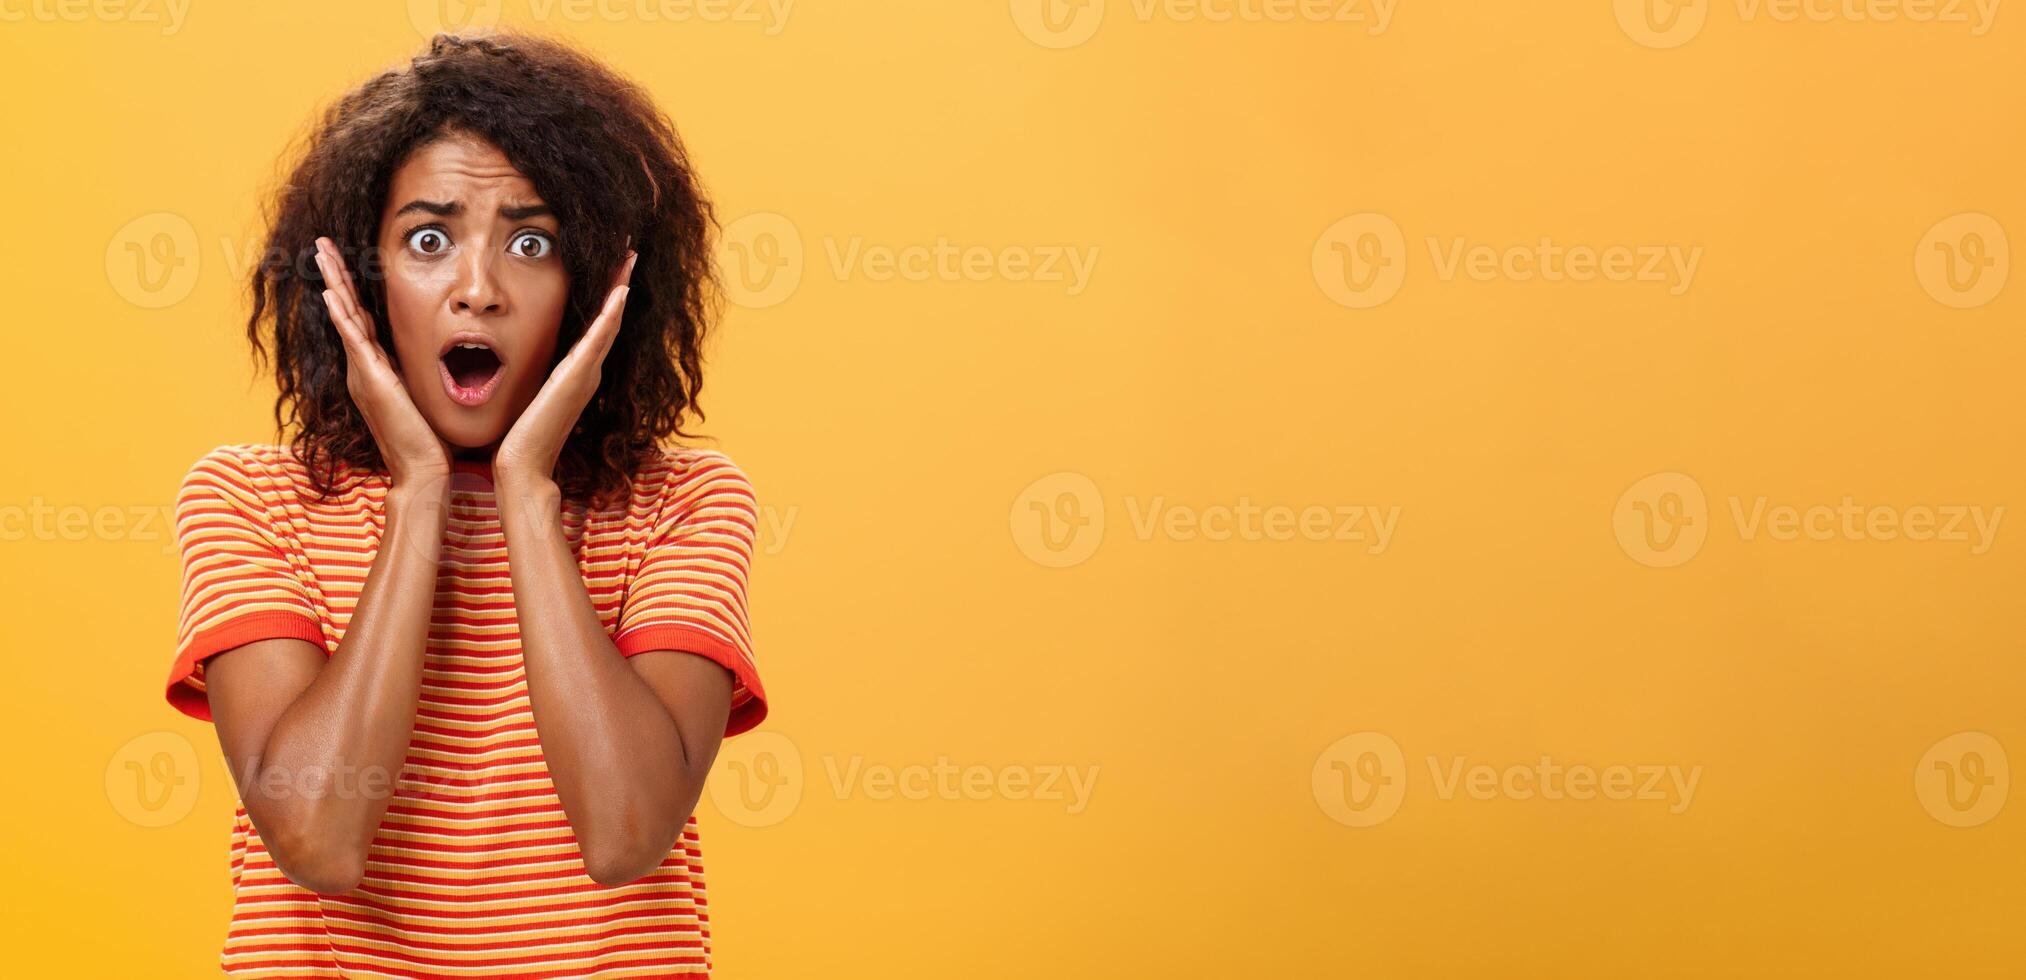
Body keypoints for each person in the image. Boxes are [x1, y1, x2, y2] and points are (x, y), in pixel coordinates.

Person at [162, 29, 768, 977]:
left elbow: (625, 833)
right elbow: (318, 840)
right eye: (429, 240)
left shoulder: (683, 505)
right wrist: (419, 494)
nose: (477, 290)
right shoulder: (252, 499)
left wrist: (528, 491)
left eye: (532, 243)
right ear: (358, 280)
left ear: (599, 287)